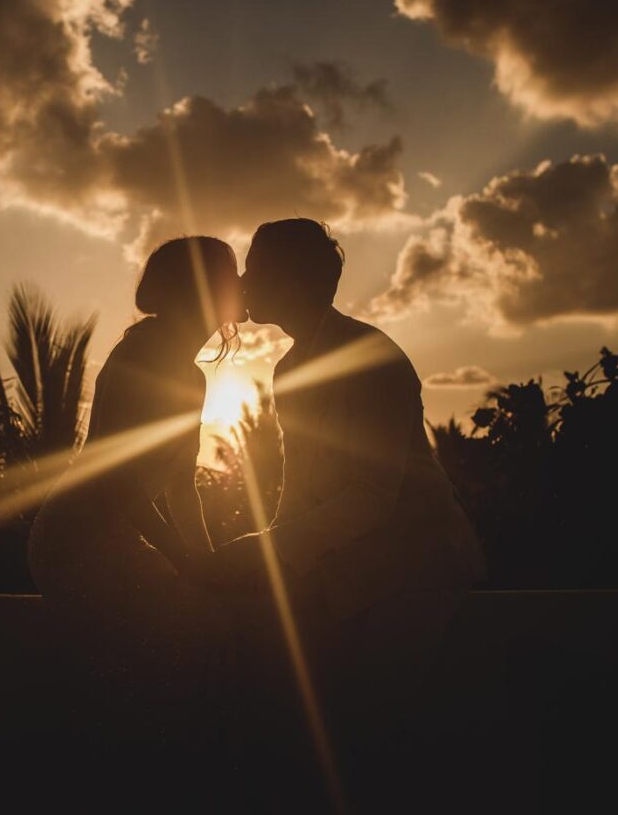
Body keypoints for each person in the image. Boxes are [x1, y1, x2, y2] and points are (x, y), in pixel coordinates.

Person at [197, 218, 486, 801]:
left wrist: (265, 551)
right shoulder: (289, 366)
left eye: (257, 268)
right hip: (349, 573)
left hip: (415, 571)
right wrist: (266, 553)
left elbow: (370, 496)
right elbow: (301, 488)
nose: (244, 280)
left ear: (295, 278)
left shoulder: (369, 357)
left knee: (365, 746)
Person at [27, 235, 247, 750]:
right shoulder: (148, 356)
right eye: (231, 273)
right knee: (196, 639)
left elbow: (181, 487)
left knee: (204, 627)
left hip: (104, 536)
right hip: (80, 542)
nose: (241, 283)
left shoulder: (177, 364)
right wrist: (187, 561)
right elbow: (116, 486)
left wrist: (206, 561)